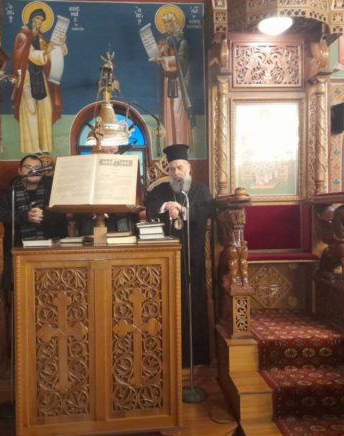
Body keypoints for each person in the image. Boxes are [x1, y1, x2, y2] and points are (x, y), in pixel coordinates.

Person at [145, 144, 213, 367]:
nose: (176, 173)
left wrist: (183, 210)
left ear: (189, 168)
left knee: (193, 304)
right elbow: (150, 207)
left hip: (193, 258)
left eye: (180, 168)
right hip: (165, 260)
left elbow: (207, 212)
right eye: (172, 169)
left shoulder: (201, 190)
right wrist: (168, 205)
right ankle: (169, 358)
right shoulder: (161, 190)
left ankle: (195, 359)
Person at [0, 154, 68, 289]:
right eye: (28, 167)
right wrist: (25, 217)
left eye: (37, 167)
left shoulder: (52, 188)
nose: (33, 170)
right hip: (19, 248)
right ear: (20, 171)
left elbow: (64, 214)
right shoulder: (11, 190)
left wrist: (44, 215)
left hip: (51, 248)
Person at [12, 5, 67, 153]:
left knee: (46, 108)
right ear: (31, 19)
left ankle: (46, 147)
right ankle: (33, 149)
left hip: (40, 77)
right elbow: (31, 55)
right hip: (26, 78)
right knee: (30, 111)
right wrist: (46, 51)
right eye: (37, 18)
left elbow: (51, 54)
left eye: (42, 20)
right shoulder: (23, 36)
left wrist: (60, 44)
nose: (39, 22)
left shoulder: (41, 38)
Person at [153, 5, 194, 147]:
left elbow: (181, 60)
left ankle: (181, 144)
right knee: (169, 111)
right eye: (165, 24)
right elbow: (164, 61)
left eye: (169, 24)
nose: (167, 27)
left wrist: (164, 59)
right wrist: (161, 55)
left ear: (175, 24)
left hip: (178, 82)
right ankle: (170, 144)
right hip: (168, 82)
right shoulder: (167, 42)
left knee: (177, 111)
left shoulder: (182, 42)